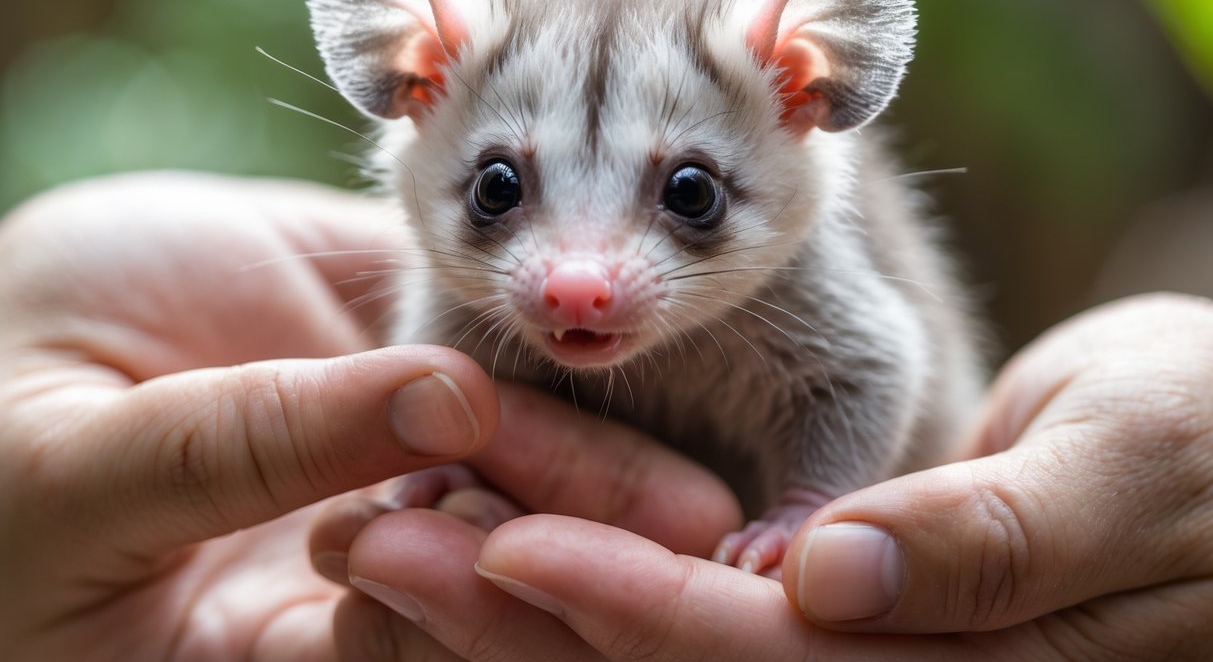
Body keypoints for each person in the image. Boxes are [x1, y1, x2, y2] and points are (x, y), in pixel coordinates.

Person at [1, 172, 1209, 661]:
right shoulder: (445, 303)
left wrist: (812, 502)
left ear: (800, 102)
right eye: (502, 190)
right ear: (413, 92)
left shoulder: (806, 250)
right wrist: (429, 463)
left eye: (683, 197)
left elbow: (867, 369)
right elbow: (445, 390)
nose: (575, 277)